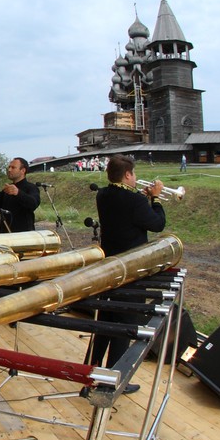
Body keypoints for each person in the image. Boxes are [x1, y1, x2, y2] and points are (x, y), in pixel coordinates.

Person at [89, 154, 168, 393]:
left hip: (109, 264)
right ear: (127, 175)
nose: (136, 178)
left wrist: (142, 199)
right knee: (124, 324)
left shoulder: (103, 195)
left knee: (105, 319)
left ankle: (92, 369)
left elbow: (125, 211)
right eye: (133, 174)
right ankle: (113, 380)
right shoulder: (136, 201)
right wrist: (155, 199)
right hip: (131, 267)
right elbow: (157, 224)